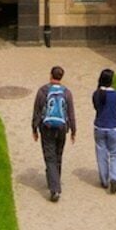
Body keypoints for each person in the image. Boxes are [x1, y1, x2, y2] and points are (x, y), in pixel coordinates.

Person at [30, 65, 75, 202]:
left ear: (51, 75)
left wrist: (34, 128)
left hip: (47, 127)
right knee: (58, 154)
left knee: (49, 157)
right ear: (61, 77)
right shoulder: (67, 92)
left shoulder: (43, 91)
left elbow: (37, 111)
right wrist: (73, 130)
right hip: (62, 127)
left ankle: (54, 188)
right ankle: (55, 180)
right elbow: (71, 113)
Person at [90, 67, 116, 193]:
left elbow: (96, 107)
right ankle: (114, 178)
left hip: (100, 126)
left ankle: (104, 180)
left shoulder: (96, 94)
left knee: (101, 154)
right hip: (114, 127)